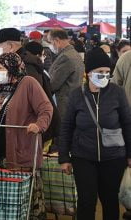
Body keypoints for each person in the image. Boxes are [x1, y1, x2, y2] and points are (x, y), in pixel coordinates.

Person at [59, 48, 131, 220]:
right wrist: (64, 157)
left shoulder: (117, 93)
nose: (105, 75)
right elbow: (67, 126)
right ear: (88, 73)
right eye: (100, 72)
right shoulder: (77, 95)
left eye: (107, 72)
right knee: (86, 201)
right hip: (83, 156)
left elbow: (127, 124)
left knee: (110, 200)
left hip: (114, 158)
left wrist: (130, 154)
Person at [0, 53, 53, 220]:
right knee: (3, 193)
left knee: (23, 191)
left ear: (12, 67)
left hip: (21, 145)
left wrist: (39, 125)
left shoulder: (28, 83)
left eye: (1, 68)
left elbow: (46, 108)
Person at [25, 41, 61, 143]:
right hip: (39, 118)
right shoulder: (39, 71)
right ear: (38, 55)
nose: (44, 57)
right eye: (43, 55)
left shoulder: (35, 70)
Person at [48, 29, 84, 119]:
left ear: (56, 40)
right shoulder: (73, 54)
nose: (50, 45)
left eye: (50, 42)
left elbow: (53, 84)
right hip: (72, 101)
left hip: (63, 105)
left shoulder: (66, 57)